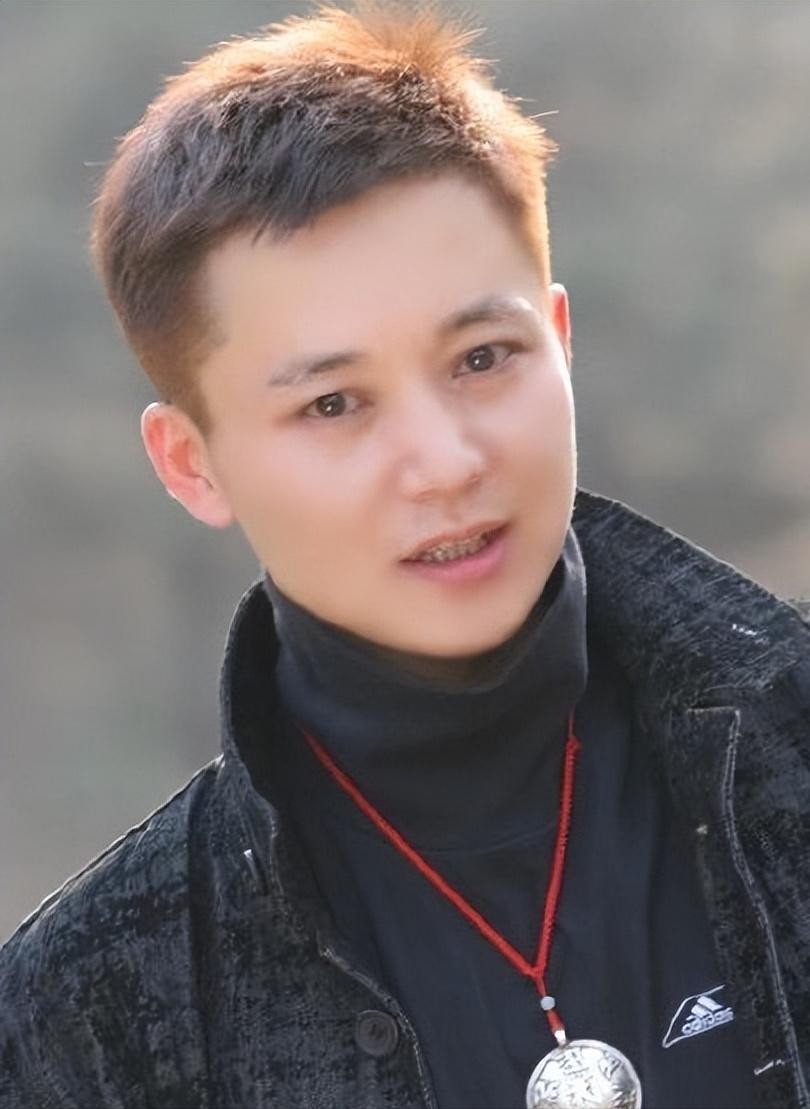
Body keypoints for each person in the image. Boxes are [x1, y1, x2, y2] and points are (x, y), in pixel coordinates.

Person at [1, 4, 808, 1108]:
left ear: (560, 341)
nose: (445, 462)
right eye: (334, 403)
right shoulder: (86, 1018)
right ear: (193, 464)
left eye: (483, 357)